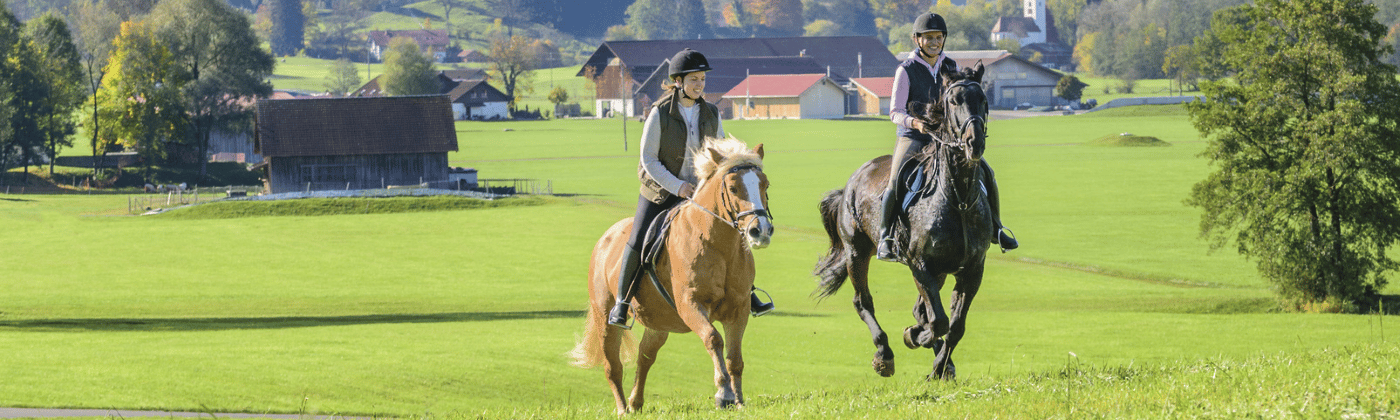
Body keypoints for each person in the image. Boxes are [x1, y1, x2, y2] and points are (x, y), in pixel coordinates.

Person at [607, 48, 775, 329]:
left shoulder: (711, 112)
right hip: (660, 190)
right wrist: (677, 186)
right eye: (694, 80)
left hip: (700, 191)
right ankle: (622, 304)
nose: (699, 85)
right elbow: (648, 160)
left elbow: (721, 153)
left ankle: (747, 292)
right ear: (678, 82)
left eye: (702, 80)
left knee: (731, 235)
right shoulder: (659, 114)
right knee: (638, 238)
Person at [878, 12, 1018, 262]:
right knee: (896, 178)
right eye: (929, 37)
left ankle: (996, 228)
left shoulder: (950, 66)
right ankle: (885, 237)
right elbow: (895, 112)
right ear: (916, 40)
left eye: (938, 37)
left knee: (986, 172)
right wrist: (916, 123)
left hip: (946, 137)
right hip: (914, 136)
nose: (934, 42)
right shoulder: (906, 70)